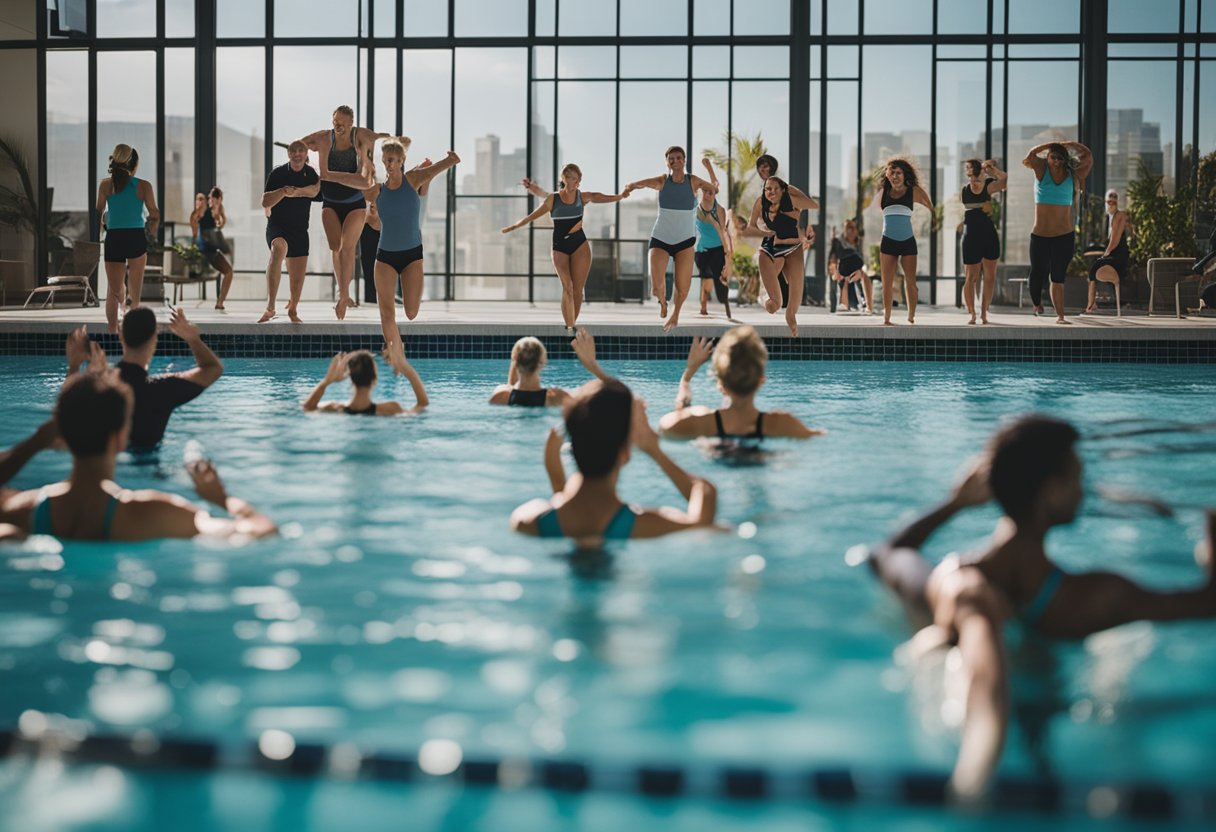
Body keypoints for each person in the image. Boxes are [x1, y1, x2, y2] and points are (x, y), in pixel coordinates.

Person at [867, 415, 1216, 800]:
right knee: (1120, 651)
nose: (1084, 491)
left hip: (971, 697)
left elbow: (889, 553)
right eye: (1077, 477)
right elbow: (987, 688)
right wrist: (974, 774)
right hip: (1037, 704)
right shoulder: (1090, 596)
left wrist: (956, 504)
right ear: (1050, 492)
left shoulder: (960, 583)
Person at [0, 373, 275, 542]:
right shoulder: (151, 512)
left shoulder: (24, 512)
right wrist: (221, 498)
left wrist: (34, 443)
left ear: (62, 436)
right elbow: (259, 532)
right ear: (119, 438)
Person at [510, 379, 718, 544]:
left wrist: (568, 428)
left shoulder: (528, 519)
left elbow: (560, 493)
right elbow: (704, 495)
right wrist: (654, 450)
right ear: (625, 453)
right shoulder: (645, 524)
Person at [506, 164, 629, 330]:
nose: (571, 180)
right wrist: (514, 227)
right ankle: (569, 326)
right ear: (563, 179)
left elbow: (598, 196)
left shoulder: (582, 197)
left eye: (574, 177)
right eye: (567, 176)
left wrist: (620, 196)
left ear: (578, 181)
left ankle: (571, 327)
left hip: (580, 244)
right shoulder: (553, 199)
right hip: (559, 246)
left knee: (578, 290)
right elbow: (531, 216)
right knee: (568, 287)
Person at [362, 139, 460, 348]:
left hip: (412, 256)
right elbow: (369, 216)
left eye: (394, 161)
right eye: (387, 160)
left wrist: (450, 160)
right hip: (385, 258)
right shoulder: (377, 191)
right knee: (387, 314)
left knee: (411, 312)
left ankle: (398, 351)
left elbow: (435, 169)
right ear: (383, 161)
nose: (390, 164)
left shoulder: (412, 179)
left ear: (402, 161)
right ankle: (397, 355)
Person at [299, 106, 393, 320]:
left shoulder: (358, 137)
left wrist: (378, 138)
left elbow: (365, 174)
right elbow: (300, 145)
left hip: (355, 203)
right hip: (330, 202)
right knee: (335, 247)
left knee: (348, 248)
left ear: (351, 123)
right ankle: (342, 291)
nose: (338, 125)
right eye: (335, 122)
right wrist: (303, 155)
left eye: (342, 122)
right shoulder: (324, 137)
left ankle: (344, 295)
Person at [659, 328, 825, 442]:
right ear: (761, 380)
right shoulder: (781, 423)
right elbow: (819, 436)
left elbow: (670, 422)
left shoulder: (702, 421)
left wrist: (689, 373)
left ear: (720, 384)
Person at [624, 146, 719, 332]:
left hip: (685, 241)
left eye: (678, 158)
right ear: (667, 162)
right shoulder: (662, 181)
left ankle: (675, 314)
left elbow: (714, 188)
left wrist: (708, 167)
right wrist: (631, 186)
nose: (675, 161)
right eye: (671, 159)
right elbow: (644, 183)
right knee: (656, 285)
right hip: (661, 238)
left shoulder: (692, 181)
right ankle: (662, 302)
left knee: (682, 287)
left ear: (684, 161)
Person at [105, 307, 224, 450]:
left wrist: (75, 366)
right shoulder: (161, 389)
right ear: (155, 337)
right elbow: (213, 368)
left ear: (120, 334)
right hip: (150, 468)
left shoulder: (101, 383)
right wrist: (193, 339)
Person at [1022, 140, 1093, 323]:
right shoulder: (1041, 170)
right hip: (1040, 236)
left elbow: (1088, 157)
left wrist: (1068, 143)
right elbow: (1030, 156)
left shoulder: (1073, 175)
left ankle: (1060, 316)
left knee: (1057, 277)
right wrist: (1050, 145)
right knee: (1037, 274)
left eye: (1060, 158)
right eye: (1053, 157)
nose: (1056, 161)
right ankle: (1037, 303)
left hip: (1064, 236)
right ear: (1048, 157)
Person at [95, 144, 159, 334]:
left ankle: (112, 331)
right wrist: (152, 227)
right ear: (134, 165)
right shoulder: (144, 186)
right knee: (135, 294)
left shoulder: (106, 185)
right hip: (136, 237)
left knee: (113, 292)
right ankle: (132, 333)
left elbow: (98, 212)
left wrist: (100, 233)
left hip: (114, 237)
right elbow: (154, 212)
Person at [742, 177, 814, 336]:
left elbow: (812, 204)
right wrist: (765, 233)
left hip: (793, 247)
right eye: (768, 189)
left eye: (775, 188)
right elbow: (749, 229)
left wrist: (792, 189)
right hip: (771, 249)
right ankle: (766, 297)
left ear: (783, 190)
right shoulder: (760, 203)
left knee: (794, 301)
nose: (771, 192)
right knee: (775, 305)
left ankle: (790, 316)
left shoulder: (793, 201)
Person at [259, 140, 321, 323]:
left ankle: (293, 309)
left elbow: (317, 192)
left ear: (306, 154)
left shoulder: (310, 174)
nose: (297, 154)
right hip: (277, 225)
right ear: (289, 154)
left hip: (300, 230)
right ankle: (270, 307)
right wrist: (283, 192)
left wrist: (299, 191)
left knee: (297, 279)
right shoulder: (278, 173)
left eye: (301, 151)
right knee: (278, 248)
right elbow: (265, 201)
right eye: (293, 151)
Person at [751, 154, 820, 309]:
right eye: (759, 166)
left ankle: (790, 303)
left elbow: (806, 203)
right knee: (775, 270)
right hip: (772, 240)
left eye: (765, 165)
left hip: (790, 238)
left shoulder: (787, 189)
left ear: (773, 168)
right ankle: (772, 299)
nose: (762, 169)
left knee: (790, 277)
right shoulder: (763, 193)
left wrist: (809, 226)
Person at [871, 157, 934, 326]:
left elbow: (930, 206)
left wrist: (930, 220)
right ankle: (887, 318)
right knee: (887, 283)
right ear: (887, 174)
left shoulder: (913, 191)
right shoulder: (882, 192)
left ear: (904, 175)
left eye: (899, 173)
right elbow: (869, 211)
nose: (895, 176)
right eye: (892, 172)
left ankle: (911, 316)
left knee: (910, 282)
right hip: (888, 242)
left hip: (907, 242)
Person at [489, 328, 612, 408]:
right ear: (543, 362)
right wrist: (591, 364)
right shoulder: (555, 397)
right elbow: (612, 394)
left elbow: (512, 388)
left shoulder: (500, 396)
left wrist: (515, 361)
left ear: (514, 361)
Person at [302, 341, 428, 416]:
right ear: (375, 379)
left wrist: (327, 381)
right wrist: (404, 367)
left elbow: (308, 408)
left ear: (350, 378)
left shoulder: (333, 408)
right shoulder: (390, 409)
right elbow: (422, 405)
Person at [960, 159, 1008, 325]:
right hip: (971, 236)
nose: (974, 179)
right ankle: (972, 313)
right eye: (969, 172)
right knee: (971, 277)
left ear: (980, 171)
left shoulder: (988, 185)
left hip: (989, 234)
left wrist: (993, 170)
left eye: (969, 167)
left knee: (989, 276)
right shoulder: (965, 190)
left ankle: (984, 313)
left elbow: (1005, 180)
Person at [693, 158, 734, 319]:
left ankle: (726, 307)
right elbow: (720, 229)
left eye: (712, 192)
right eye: (707, 191)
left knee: (721, 281)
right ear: (703, 192)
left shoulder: (718, 206)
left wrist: (709, 166)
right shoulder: (699, 209)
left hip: (718, 249)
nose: (710, 194)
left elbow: (715, 182)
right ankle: (703, 308)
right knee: (707, 280)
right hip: (703, 250)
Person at [1083, 189, 1129, 316]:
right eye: (1109, 201)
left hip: (1118, 257)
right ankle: (1092, 304)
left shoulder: (1119, 216)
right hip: (1116, 255)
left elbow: (1115, 240)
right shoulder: (1109, 218)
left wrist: (1105, 254)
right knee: (1093, 270)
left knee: (1093, 269)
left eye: (1113, 202)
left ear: (1117, 202)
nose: (1111, 204)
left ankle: (1091, 305)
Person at [191, 187, 235, 310]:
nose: (213, 201)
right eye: (212, 198)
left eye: (215, 198)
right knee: (229, 272)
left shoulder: (217, 210)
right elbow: (197, 219)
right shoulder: (205, 210)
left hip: (211, 249)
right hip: (207, 250)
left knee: (228, 271)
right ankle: (220, 303)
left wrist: (217, 212)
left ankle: (220, 302)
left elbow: (221, 224)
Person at [828, 220, 871, 314]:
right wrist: (835, 270)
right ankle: (840, 304)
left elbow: (864, 259)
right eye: (848, 228)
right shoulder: (838, 242)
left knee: (859, 276)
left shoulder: (859, 242)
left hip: (857, 269)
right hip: (842, 269)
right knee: (841, 277)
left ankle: (863, 303)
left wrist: (861, 270)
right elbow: (833, 258)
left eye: (853, 228)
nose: (851, 230)